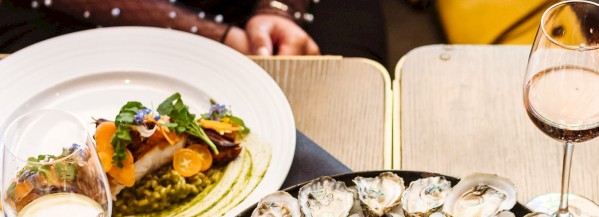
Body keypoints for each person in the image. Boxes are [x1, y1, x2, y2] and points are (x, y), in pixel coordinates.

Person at [0, 0, 388, 65]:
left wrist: (279, 9)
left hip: (247, 7)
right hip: (69, 11)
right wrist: (214, 36)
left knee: (348, 75)